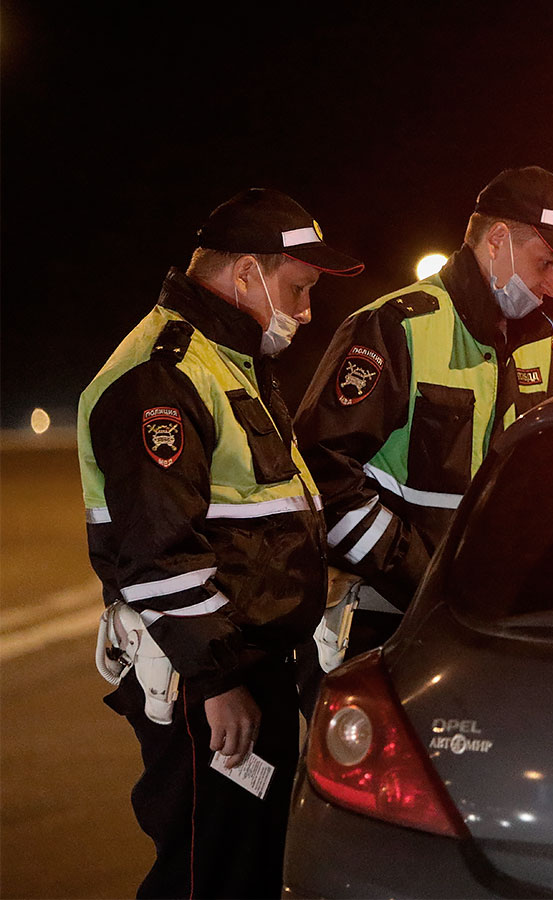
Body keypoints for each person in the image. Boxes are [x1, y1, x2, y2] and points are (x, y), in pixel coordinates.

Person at [77, 188, 363, 899]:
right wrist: (219, 682)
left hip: (246, 662)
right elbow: (155, 551)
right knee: (208, 874)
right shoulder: (163, 374)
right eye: (297, 290)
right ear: (245, 274)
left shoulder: (225, 361)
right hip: (208, 676)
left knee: (248, 865)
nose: (304, 311)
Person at [293, 166, 553, 664]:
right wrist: (422, 577)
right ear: (498, 240)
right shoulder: (394, 328)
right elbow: (320, 474)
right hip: (383, 624)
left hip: (489, 627)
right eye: (546, 263)